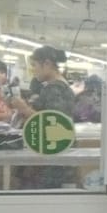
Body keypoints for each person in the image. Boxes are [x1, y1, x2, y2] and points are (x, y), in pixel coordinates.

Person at [11, 46, 78, 189]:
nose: (33, 70)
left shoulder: (54, 89)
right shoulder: (59, 86)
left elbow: (52, 123)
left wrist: (24, 109)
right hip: (55, 154)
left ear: (47, 64)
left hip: (51, 160)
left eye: (34, 65)